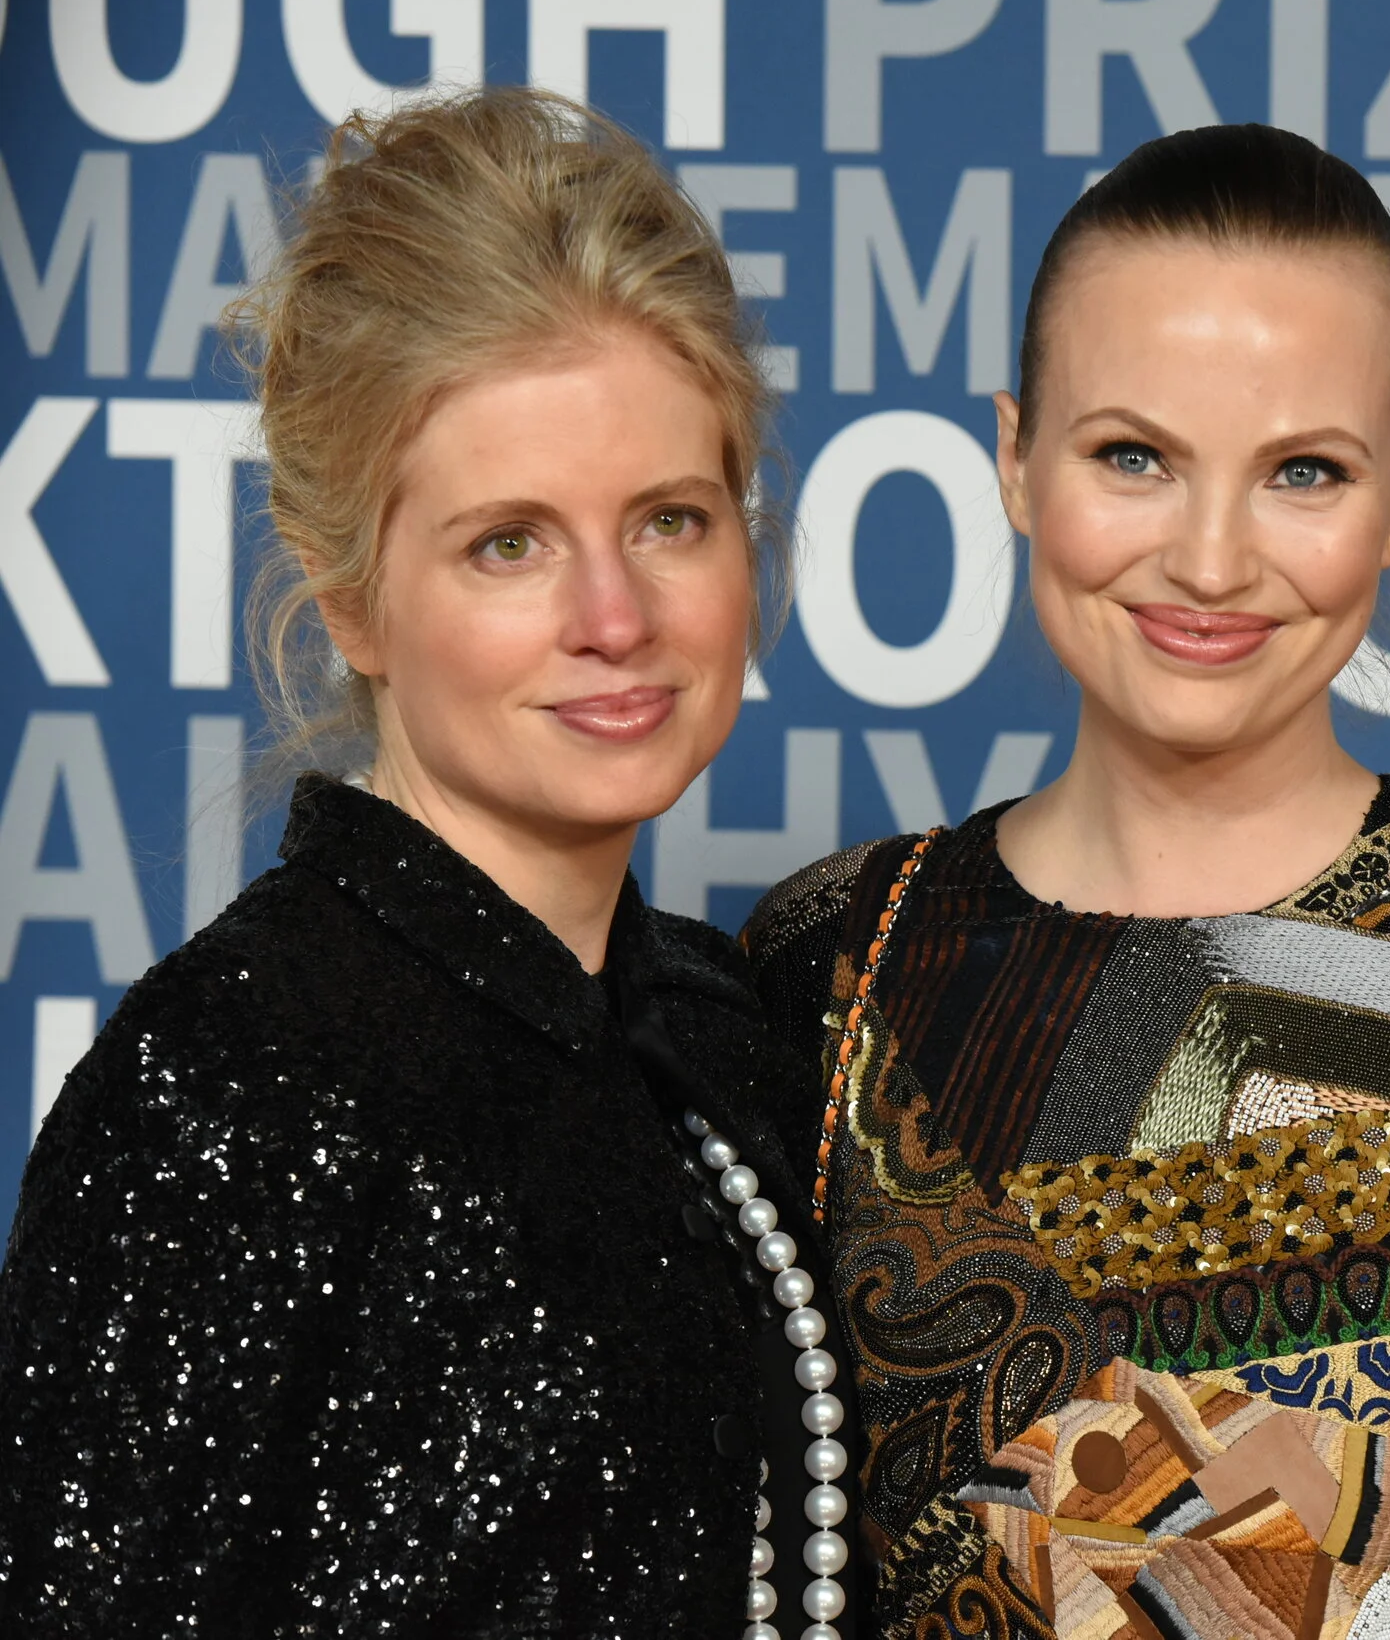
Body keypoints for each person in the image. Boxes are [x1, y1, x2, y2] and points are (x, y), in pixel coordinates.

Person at [741, 123, 1390, 1640]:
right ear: (1013, 457)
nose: (1208, 557)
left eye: (1302, 473)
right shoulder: (828, 960)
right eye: (1133, 455)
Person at [0, 88, 865, 1638]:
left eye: (670, 518)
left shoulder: (729, 1038)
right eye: (508, 542)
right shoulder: (225, 1084)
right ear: (346, 596)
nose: (615, 614)